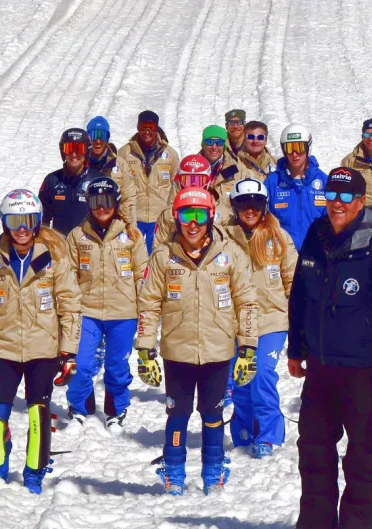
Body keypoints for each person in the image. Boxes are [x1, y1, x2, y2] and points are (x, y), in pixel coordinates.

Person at [281, 167, 372, 529]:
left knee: (363, 449)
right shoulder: (315, 234)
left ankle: (355, 526)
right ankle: (316, 520)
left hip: (365, 368)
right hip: (322, 366)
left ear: (360, 202)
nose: (337, 205)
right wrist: (297, 347)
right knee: (314, 446)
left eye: (345, 198)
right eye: (331, 197)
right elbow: (301, 297)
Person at [135, 186, 258, 496]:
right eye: (186, 215)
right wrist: (145, 350)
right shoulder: (165, 256)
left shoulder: (229, 254)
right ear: (177, 218)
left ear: (210, 217)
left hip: (217, 350)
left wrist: (248, 347)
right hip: (178, 351)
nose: (193, 223)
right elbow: (149, 304)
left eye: (199, 216)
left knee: (213, 413)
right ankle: (174, 470)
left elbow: (246, 302)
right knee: (177, 413)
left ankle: (213, 469)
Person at [0, 190, 80, 494]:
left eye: (28, 222)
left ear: (37, 222)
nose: (21, 230)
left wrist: (68, 352)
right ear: (5, 223)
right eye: (15, 222)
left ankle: (34, 470)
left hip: (43, 349)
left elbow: (70, 305)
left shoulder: (53, 259)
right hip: (5, 348)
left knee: (37, 412)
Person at [64, 177, 148, 430]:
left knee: (116, 366)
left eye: (107, 202)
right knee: (81, 364)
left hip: (123, 312)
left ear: (116, 203)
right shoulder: (78, 235)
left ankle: (116, 410)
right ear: (89, 204)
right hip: (87, 311)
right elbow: (68, 275)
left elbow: (142, 273)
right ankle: (79, 407)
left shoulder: (131, 235)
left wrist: (145, 309)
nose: (102, 208)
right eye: (96, 202)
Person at [223, 178, 297, 458]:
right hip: (236, 322)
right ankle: (243, 431)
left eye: (256, 203)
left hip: (271, 320)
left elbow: (292, 280)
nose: (250, 210)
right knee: (240, 380)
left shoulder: (278, 237)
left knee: (262, 376)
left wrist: (299, 321)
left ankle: (269, 434)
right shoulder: (222, 238)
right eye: (243, 204)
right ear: (235, 206)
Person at [118, 110, 180, 251]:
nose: (147, 131)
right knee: (134, 257)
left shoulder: (169, 154)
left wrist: (171, 213)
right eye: (143, 127)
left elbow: (176, 185)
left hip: (159, 217)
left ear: (156, 128)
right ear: (137, 127)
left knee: (158, 256)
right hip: (134, 217)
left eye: (151, 127)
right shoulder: (125, 153)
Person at [263, 123, 328, 251]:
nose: (294, 154)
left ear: (308, 148)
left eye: (299, 147)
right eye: (289, 148)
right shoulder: (272, 182)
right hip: (283, 254)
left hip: (316, 254)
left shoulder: (323, 181)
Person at [38, 128, 92, 236]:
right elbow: (42, 218)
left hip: (88, 246)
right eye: (69, 148)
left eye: (79, 148)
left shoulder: (97, 180)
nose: (74, 154)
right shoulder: (52, 180)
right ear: (63, 152)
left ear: (87, 152)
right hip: (60, 245)